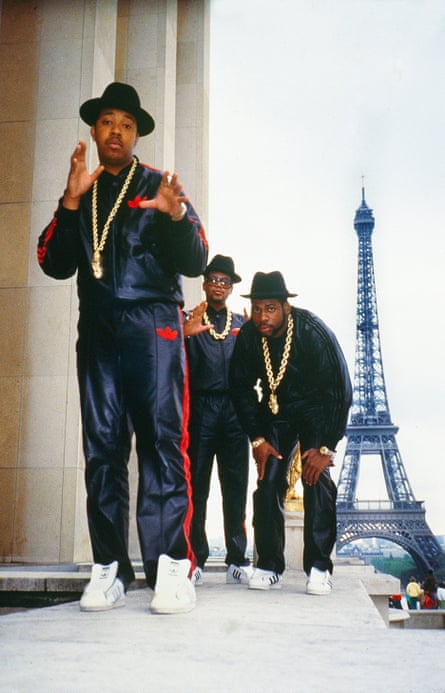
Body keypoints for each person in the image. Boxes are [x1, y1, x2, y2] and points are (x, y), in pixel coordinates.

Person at [37, 82, 208, 614]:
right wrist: (67, 203)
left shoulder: (159, 186)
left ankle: (171, 568)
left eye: (127, 124)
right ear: (94, 129)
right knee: (103, 450)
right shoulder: (80, 192)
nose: (117, 131)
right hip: (100, 332)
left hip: (154, 323)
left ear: (137, 135)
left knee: (161, 443)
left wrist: (175, 217)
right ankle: (109, 567)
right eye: (108, 121)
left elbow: (198, 259)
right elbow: (52, 261)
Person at [229, 271, 352, 594]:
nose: (262, 316)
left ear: (286, 306)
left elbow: (341, 391)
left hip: (316, 412)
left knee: (316, 479)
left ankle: (319, 567)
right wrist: (257, 438)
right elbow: (240, 389)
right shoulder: (250, 337)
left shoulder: (313, 331)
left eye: (270, 308)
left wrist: (325, 447)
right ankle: (269, 565)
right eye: (256, 308)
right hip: (276, 412)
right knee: (268, 480)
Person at [185, 255, 252, 586]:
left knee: (235, 487)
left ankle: (237, 558)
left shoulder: (242, 323)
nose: (218, 286)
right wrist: (184, 334)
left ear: (231, 287)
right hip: (200, 410)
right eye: (213, 279)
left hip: (234, 412)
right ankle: (195, 558)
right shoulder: (188, 319)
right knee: (197, 488)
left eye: (225, 281)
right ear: (204, 282)